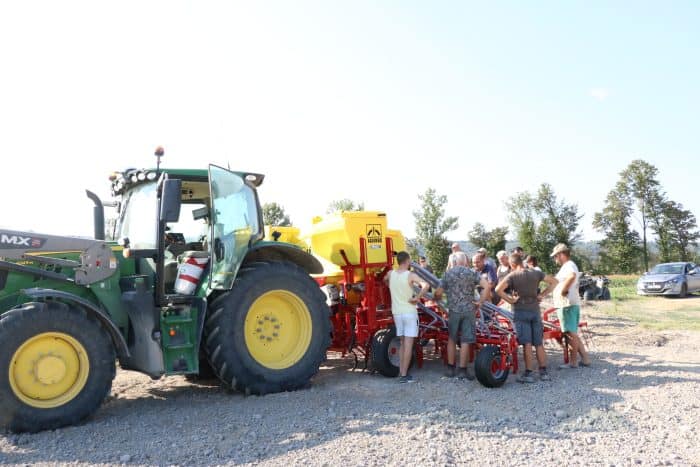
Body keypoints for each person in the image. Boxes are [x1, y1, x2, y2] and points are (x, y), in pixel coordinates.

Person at [495, 253, 558, 383]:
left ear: (512, 264)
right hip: (535, 311)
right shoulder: (535, 273)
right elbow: (554, 282)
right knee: (539, 343)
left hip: (520, 311)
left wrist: (510, 300)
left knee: (527, 344)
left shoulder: (512, 275)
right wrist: (542, 295)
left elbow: (498, 289)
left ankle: (528, 374)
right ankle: (543, 372)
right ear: (522, 262)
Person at [434, 252, 490, 380]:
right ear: (465, 261)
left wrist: (437, 297)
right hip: (469, 310)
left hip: (453, 311)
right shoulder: (472, 273)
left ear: (453, 262)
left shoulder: (448, 274)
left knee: (452, 339)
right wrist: (480, 302)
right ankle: (463, 370)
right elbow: (487, 286)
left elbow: (438, 292)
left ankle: (450, 368)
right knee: (466, 340)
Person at [384, 251, 429, 383]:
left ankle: (401, 372)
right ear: (408, 261)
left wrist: (391, 287)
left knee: (403, 343)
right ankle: (404, 375)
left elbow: (385, 280)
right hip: (409, 311)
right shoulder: (410, 275)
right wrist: (417, 297)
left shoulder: (390, 274)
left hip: (397, 312)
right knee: (408, 344)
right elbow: (426, 285)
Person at [551, 243, 591, 369]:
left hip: (566, 304)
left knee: (570, 334)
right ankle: (585, 359)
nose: (555, 259)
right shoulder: (568, 265)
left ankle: (573, 362)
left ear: (561, 254)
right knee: (573, 333)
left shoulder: (568, 265)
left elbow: (572, 276)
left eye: (556, 256)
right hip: (568, 304)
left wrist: (563, 290)